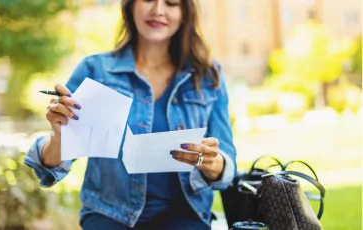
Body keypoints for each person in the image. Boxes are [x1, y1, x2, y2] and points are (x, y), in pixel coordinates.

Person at [24, 0, 237, 229]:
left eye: (171, 3)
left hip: (185, 213)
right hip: (108, 213)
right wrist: (60, 136)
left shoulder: (207, 75)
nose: (158, 10)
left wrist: (212, 163)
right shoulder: (95, 70)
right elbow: (50, 164)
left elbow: (227, 165)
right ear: (130, 6)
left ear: (184, 13)